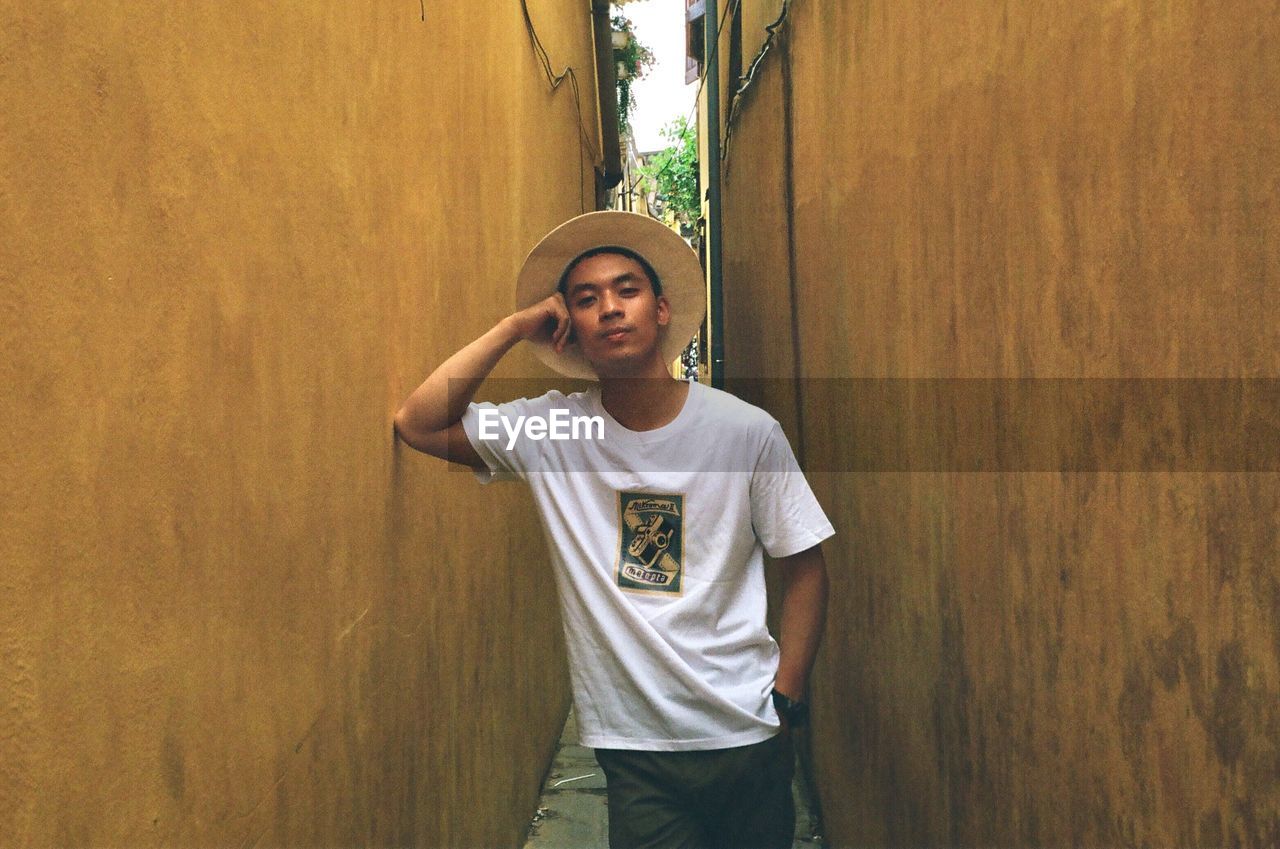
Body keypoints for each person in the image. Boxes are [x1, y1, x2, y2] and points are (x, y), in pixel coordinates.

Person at [394, 211, 833, 849]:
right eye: (585, 299)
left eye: (626, 290)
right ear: (569, 331)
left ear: (661, 310)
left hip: (747, 730)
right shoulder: (556, 432)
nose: (609, 308)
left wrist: (788, 694)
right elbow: (420, 423)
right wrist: (516, 328)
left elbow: (806, 567)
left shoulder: (744, 431)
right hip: (635, 746)